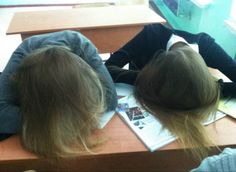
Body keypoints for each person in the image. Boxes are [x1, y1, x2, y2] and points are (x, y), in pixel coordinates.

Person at [105, 23, 236, 160]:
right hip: (151, 95)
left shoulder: (207, 46)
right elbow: (107, 68)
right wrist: (148, 80)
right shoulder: (151, 35)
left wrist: (205, 86)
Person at [0, 30, 117, 158]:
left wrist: (48, 121)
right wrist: (61, 120)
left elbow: (110, 98)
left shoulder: (83, 47)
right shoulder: (21, 59)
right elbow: (2, 115)